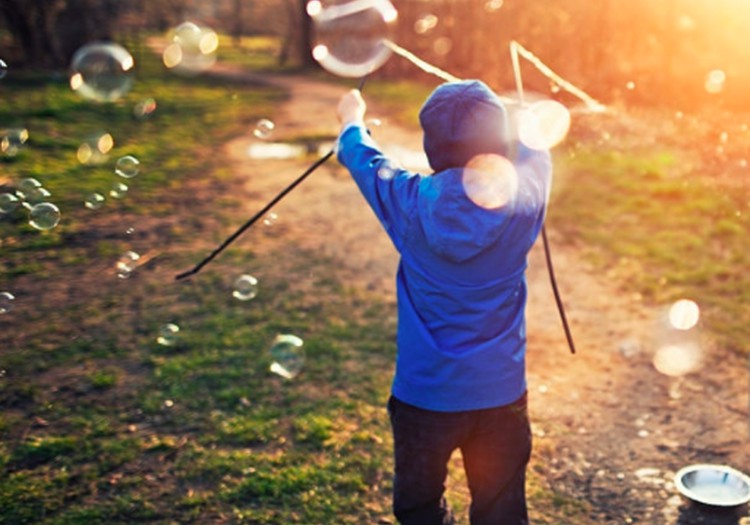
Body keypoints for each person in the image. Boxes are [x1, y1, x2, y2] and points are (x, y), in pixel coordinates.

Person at [335, 80, 552, 525]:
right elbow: (537, 149)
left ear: (431, 148)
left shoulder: (407, 200)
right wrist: (515, 116)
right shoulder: (527, 198)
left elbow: (362, 158)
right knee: (501, 510)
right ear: (499, 143)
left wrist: (352, 119)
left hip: (423, 397)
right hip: (501, 395)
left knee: (418, 508)